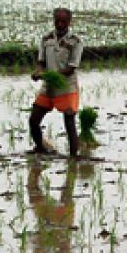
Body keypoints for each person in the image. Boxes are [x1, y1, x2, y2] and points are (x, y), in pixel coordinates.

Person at [29, 8, 84, 158]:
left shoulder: (75, 41)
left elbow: (71, 68)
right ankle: (40, 148)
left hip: (67, 86)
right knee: (34, 120)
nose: (60, 24)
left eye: (63, 21)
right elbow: (41, 62)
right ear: (53, 20)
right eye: (57, 21)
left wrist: (47, 75)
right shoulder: (46, 38)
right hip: (48, 86)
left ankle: (74, 157)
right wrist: (38, 72)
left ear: (69, 22)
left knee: (69, 121)